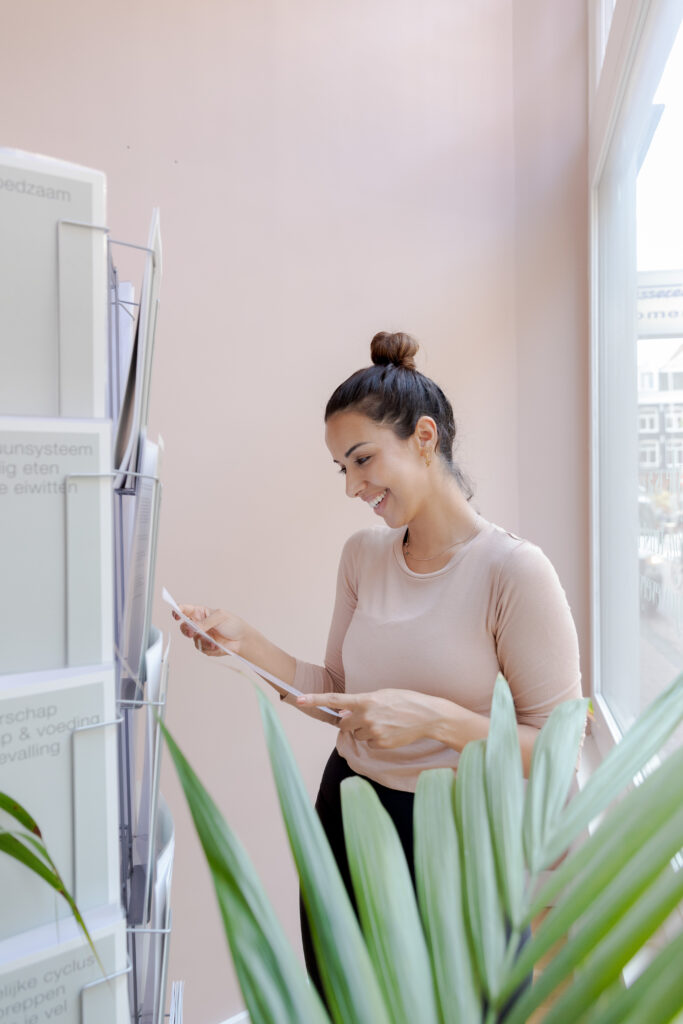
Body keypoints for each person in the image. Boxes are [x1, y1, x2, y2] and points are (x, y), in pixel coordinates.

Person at [174, 330, 582, 1000]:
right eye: (341, 468)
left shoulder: (513, 572)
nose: (352, 487)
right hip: (346, 812)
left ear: (424, 437)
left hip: (459, 837)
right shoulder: (362, 557)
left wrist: (435, 720)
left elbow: (557, 750)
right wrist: (244, 641)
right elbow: (335, 691)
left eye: (361, 460)